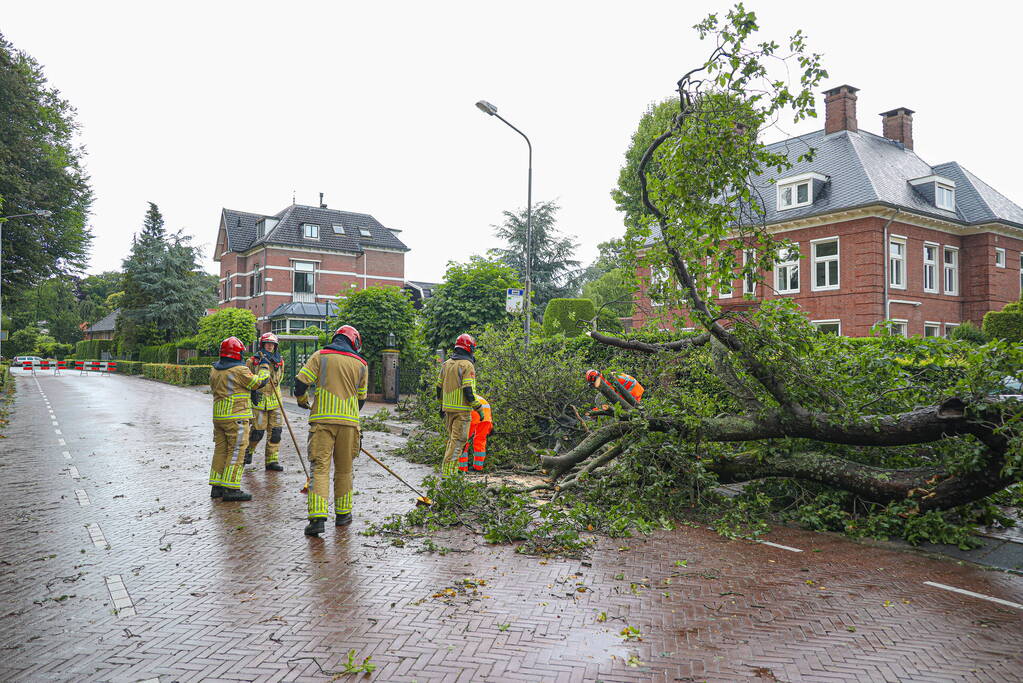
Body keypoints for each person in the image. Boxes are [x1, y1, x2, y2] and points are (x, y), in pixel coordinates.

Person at [294, 324, 368, 536]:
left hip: (322, 422)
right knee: (345, 470)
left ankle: (317, 519)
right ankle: (343, 515)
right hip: (350, 424)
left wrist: (302, 400)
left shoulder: (320, 356)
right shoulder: (362, 363)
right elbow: (361, 398)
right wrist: (349, 415)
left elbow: (300, 383)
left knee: (320, 468)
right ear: (354, 342)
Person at [209, 336, 271, 501]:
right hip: (236, 416)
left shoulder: (215, 369)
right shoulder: (239, 370)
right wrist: (265, 368)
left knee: (221, 450)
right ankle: (231, 488)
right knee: (237, 451)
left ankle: (217, 486)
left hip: (219, 416)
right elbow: (258, 383)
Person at [437, 333, 481, 478]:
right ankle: (447, 475)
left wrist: (441, 406)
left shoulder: (446, 364)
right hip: (462, 412)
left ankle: (451, 472)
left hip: (448, 410)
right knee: (458, 443)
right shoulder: (467, 365)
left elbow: (439, 388)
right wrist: (478, 408)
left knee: (452, 441)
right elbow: (468, 389)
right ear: (469, 348)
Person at [244, 332, 285, 471]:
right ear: (262, 344)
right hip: (259, 402)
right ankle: (248, 452)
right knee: (258, 432)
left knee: (276, 432)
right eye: (267, 343)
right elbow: (247, 380)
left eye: (272, 344)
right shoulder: (253, 361)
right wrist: (253, 392)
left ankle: (272, 461)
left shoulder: (280, 361)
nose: (270, 346)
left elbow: (280, 379)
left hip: (275, 402)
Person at [459, 394, 492, 473]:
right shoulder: (480, 398)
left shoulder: (463, 398)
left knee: (463, 441)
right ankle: (478, 467)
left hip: (474, 415)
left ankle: (462, 469)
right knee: (480, 441)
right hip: (486, 418)